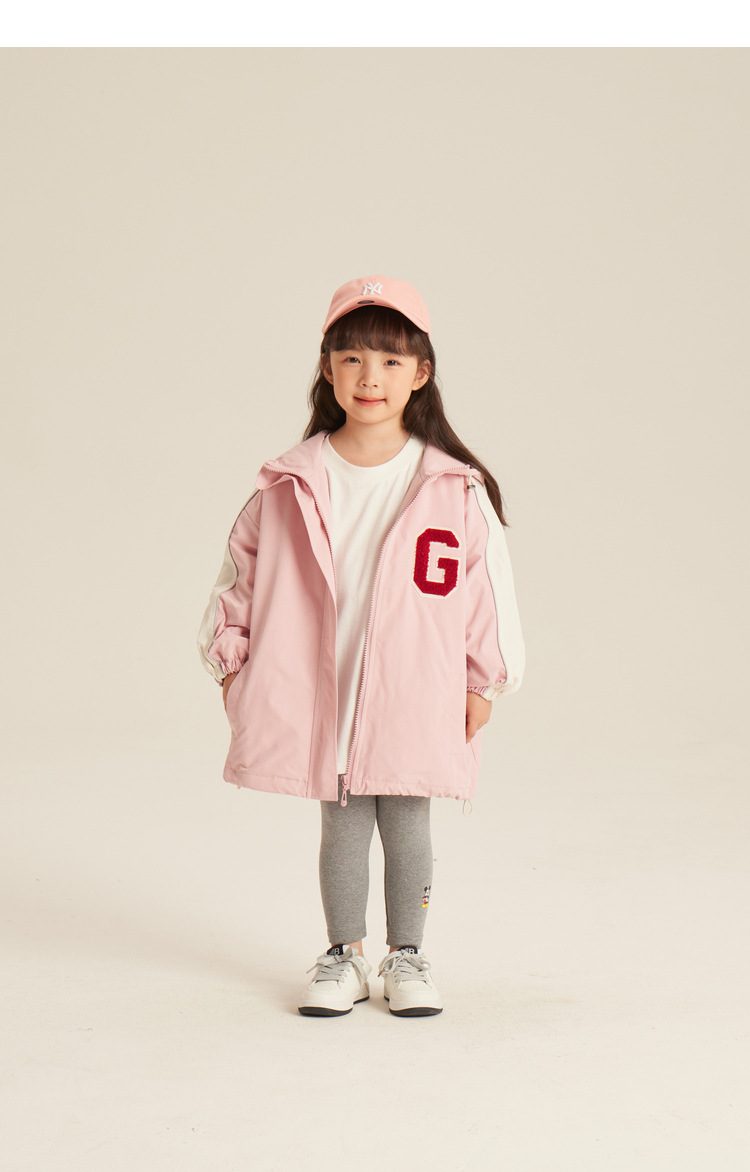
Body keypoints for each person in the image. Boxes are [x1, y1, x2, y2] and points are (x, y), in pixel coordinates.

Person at [197, 274, 525, 1018]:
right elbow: (237, 577)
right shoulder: (290, 482)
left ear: (421, 373)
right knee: (341, 825)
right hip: (326, 690)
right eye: (351, 358)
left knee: (408, 823)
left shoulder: (452, 486)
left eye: (389, 360)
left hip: (417, 689)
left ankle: (407, 955)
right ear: (327, 368)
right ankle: (343, 955)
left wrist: (483, 681)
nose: (369, 377)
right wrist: (231, 665)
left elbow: (488, 591)